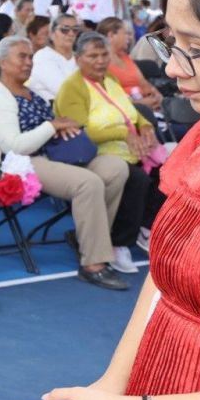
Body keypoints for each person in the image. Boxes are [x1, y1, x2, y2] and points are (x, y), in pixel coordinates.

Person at [27, 0, 200, 400]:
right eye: (172, 43)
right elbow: (165, 281)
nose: (172, 67)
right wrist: (113, 387)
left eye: (194, 49)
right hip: (163, 375)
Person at [0, 37, 130, 290]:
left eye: (30, 57)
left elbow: (49, 129)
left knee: (115, 169)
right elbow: (15, 146)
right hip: (19, 165)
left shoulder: (31, 93)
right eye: (22, 57)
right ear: (4, 63)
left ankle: (89, 240)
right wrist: (52, 126)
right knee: (88, 182)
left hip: (50, 156)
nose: (29, 62)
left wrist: (62, 129)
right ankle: (93, 263)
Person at [54, 32, 164, 275]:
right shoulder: (72, 88)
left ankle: (147, 228)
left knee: (167, 171)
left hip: (128, 149)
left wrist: (144, 127)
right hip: (94, 154)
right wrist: (122, 135)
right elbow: (79, 132)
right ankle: (118, 242)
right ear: (78, 58)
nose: (100, 60)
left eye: (104, 54)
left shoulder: (109, 78)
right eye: (93, 56)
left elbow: (130, 113)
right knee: (136, 178)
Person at [99, 17, 162, 111]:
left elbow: (144, 83)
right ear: (111, 35)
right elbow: (106, 98)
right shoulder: (100, 62)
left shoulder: (124, 57)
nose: (129, 37)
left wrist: (157, 96)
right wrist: (140, 104)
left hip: (146, 107)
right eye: (125, 33)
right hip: (125, 111)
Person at [28, 14, 80, 102]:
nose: (71, 33)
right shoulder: (43, 57)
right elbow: (64, 90)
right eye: (65, 29)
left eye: (75, 30)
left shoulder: (79, 57)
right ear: (51, 34)